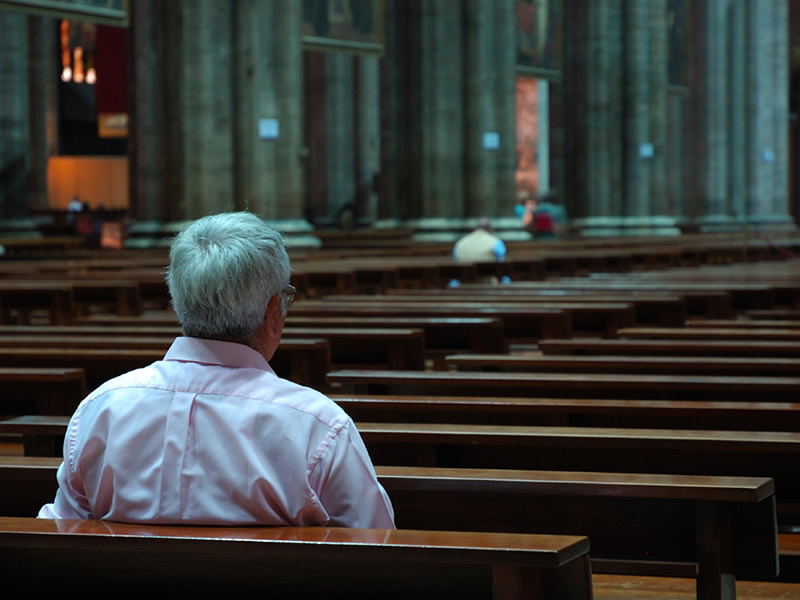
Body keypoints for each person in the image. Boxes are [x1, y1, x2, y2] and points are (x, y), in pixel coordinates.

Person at [38, 212, 395, 528]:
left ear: (177, 301)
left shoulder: (102, 409)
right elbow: (377, 549)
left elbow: (63, 532)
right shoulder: (316, 426)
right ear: (273, 313)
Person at [451, 217, 509, 285]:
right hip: (488, 284)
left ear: (475, 229)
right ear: (490, 229)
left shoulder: (460, 243)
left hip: (464, 283)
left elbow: (455, 261)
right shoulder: (496, 243)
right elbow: (502, 263)